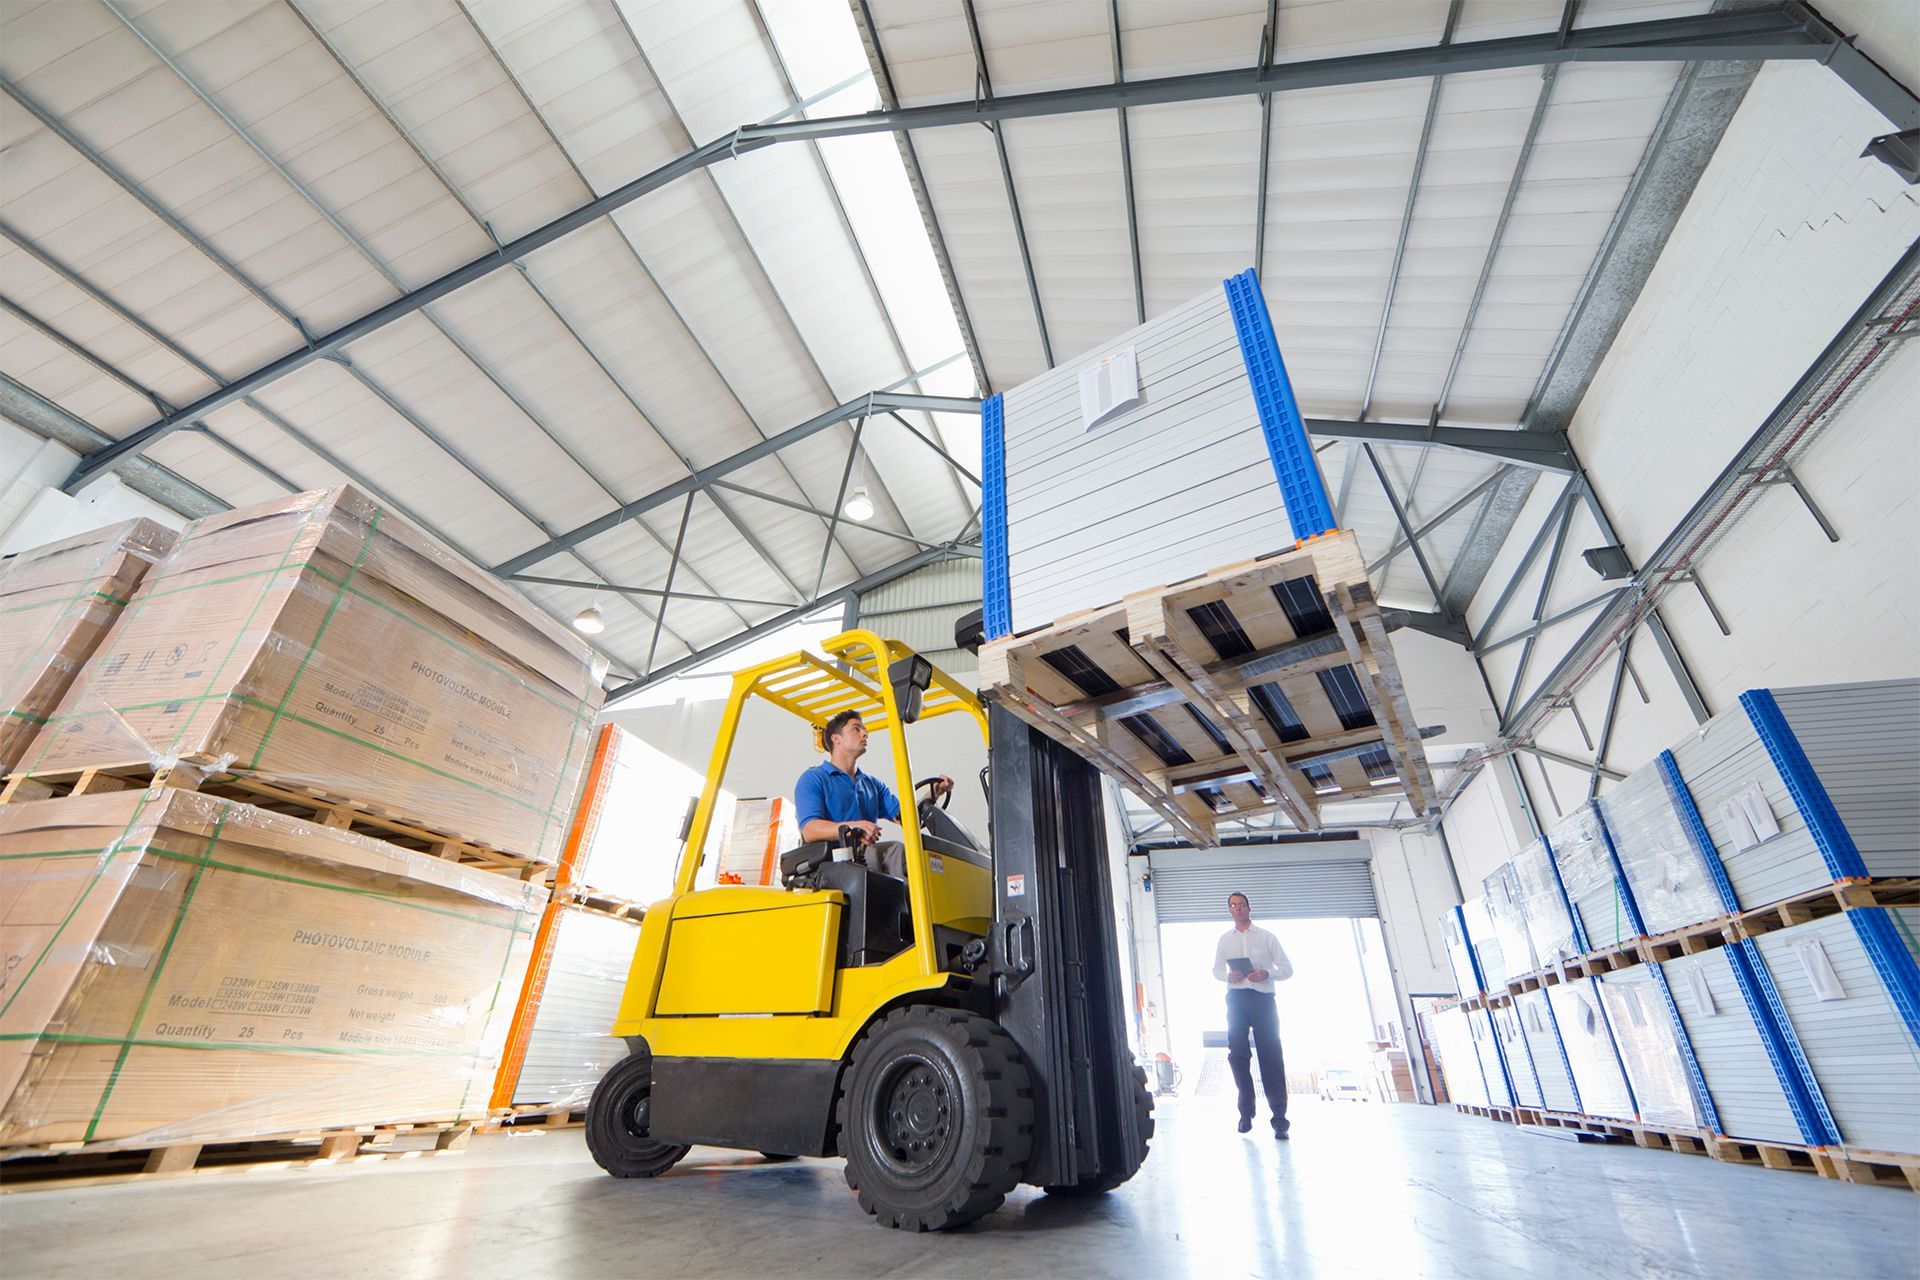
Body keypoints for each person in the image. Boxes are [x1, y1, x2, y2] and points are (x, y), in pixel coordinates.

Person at [795, 709, 950, 879]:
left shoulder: (872, 785)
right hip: (830, 861)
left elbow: (906, 818)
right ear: (836, 738)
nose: (865, 733)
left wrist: (933, 792)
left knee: (901, 853)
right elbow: (810, 830)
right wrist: (853, 827)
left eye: (864, 729)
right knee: (883, 856)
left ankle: (911, 904)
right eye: (856, 729)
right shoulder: (814, 778)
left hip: (862, 855)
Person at [1212, 891, 1293, 1138]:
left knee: (1270, 1054)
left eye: (1242, 904)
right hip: (1236, 999)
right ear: (1230, 910)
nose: (1238, 909)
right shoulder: (1225, 940)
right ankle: (1245, 1114)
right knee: (1237, 1054)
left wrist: (1267, 974)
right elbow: (1216, 970)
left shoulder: (1267, 937)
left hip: (1263, 1000)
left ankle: (1279, 1119)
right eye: (1233, 905)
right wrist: (1228, 976)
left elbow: (1287, 969)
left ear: (1249, 907)